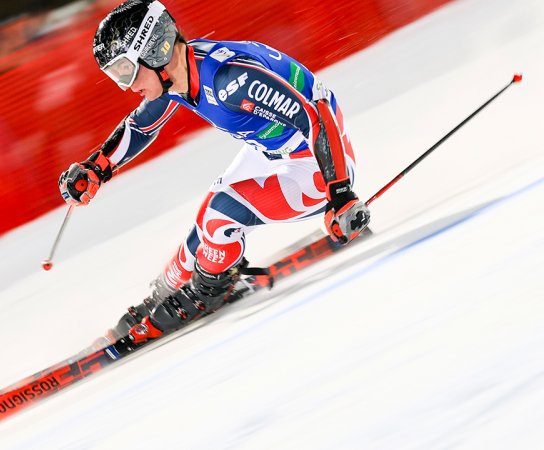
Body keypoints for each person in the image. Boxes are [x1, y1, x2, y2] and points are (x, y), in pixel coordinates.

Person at [58, 0, 370, 346]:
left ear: (155, 50)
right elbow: (141, 125)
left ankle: (207, 292)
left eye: (126, 71)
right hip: (275, 150)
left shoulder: (229, 81)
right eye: (117, 75)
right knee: (205, 222)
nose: (127, 86)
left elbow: (315, 114)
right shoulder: (180, 72)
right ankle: (163, 294)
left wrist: (340, 193)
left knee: (219, 215)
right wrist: (96, 168)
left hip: (317, 163)